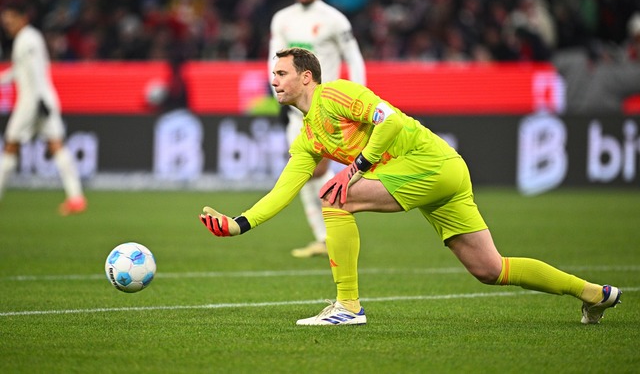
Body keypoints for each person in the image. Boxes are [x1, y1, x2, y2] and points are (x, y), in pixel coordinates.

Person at [200, 47, 622, 326]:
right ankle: (594, 293)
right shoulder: (308, 137)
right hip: (440, 176)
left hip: (430, 164)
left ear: (307, 77)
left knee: (335, 196)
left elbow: (392, 119)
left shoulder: (338, 94)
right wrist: (239, 224)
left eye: (281, 73)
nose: (273, 80)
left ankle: (347, 306)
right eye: (272, 74)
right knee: (491, 270)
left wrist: (358, 166)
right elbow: (283, 190)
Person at [268, 0, 366, 258]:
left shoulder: (334, 20)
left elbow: (355, 58)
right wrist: (277, 93)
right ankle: (325, 237)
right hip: (296, 110)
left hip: (328, 106)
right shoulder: (282, 19)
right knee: (304, 174)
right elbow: (274, 60)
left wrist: (357, 100)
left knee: (317, 169)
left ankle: (335, 227)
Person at [0, 0, 86, 215]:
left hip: (33, 101)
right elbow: (20, 71)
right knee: (56, 145)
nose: (7, 24)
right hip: (42, 99)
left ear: (22, 18)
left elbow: (37, 72)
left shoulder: (27, 39)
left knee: (11, 145)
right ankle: (76, 198)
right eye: (5, 21)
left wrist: (39, 102)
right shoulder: (28, 38)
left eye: (11, 20)